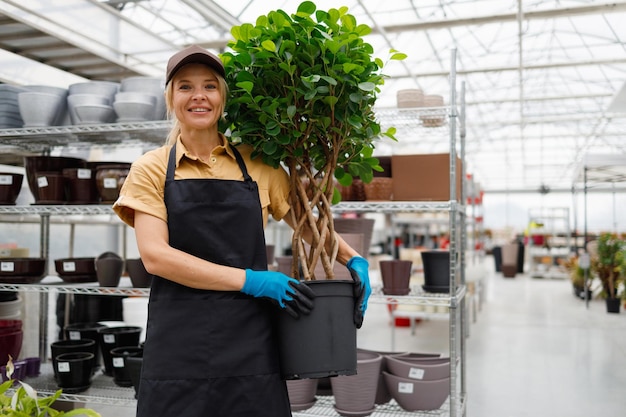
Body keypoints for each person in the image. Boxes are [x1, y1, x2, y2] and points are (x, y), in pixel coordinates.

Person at [112, 44, 371, 417]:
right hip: (179, 342)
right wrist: (253, 280)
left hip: (250, 339)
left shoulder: (259, 165)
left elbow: (307, 224)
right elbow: (156, 257)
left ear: (223, 98)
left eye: (210, 86)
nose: (198, 96)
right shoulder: (151, 169)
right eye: (185, 86)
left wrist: (353, 258)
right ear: (170, 98)